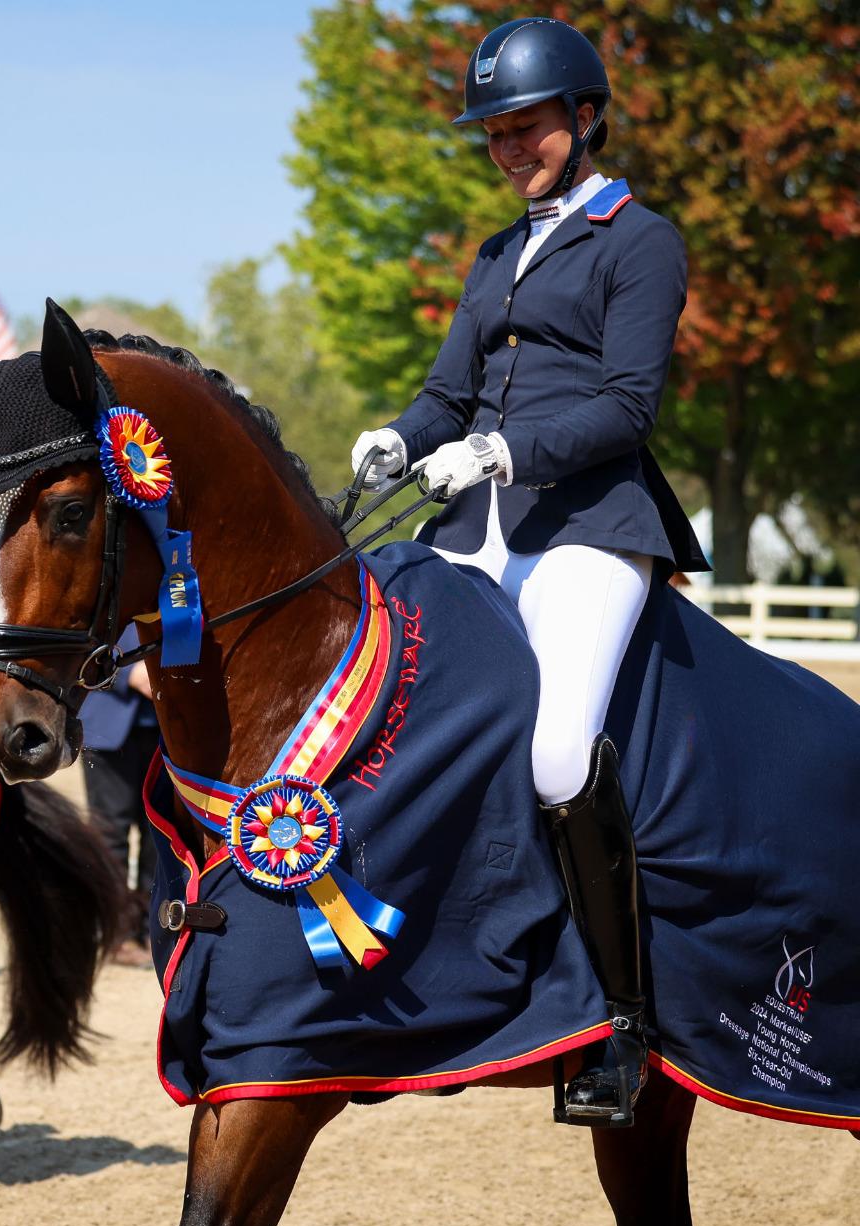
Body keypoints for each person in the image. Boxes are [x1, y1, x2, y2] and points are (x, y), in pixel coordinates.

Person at [349, 17, 710, 1127]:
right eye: (493, 132)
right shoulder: (495, 254)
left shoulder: (637, 239)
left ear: (584, 116)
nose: (509, 146)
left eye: (527, 127)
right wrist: (401, 438)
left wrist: (503, 452)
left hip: (591, 526)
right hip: (475, 525)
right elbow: (446, 393)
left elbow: (624, 407)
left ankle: (623, 1020)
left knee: (556, 754)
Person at [78, 622, 158, 967]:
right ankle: (115, 934)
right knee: (110, 834)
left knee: (160, 838)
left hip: (166, 730)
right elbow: (79, 644)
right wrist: (127, 674)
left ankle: (155, 931)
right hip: (107, 729)